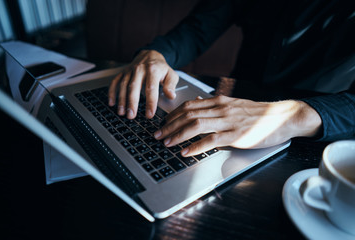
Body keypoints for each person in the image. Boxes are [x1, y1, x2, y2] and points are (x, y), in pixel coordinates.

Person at [107, 0, 355, 157]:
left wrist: (292, 116)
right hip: (226, 117)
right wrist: (158, 54)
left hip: (321, 144)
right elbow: (199, 27)